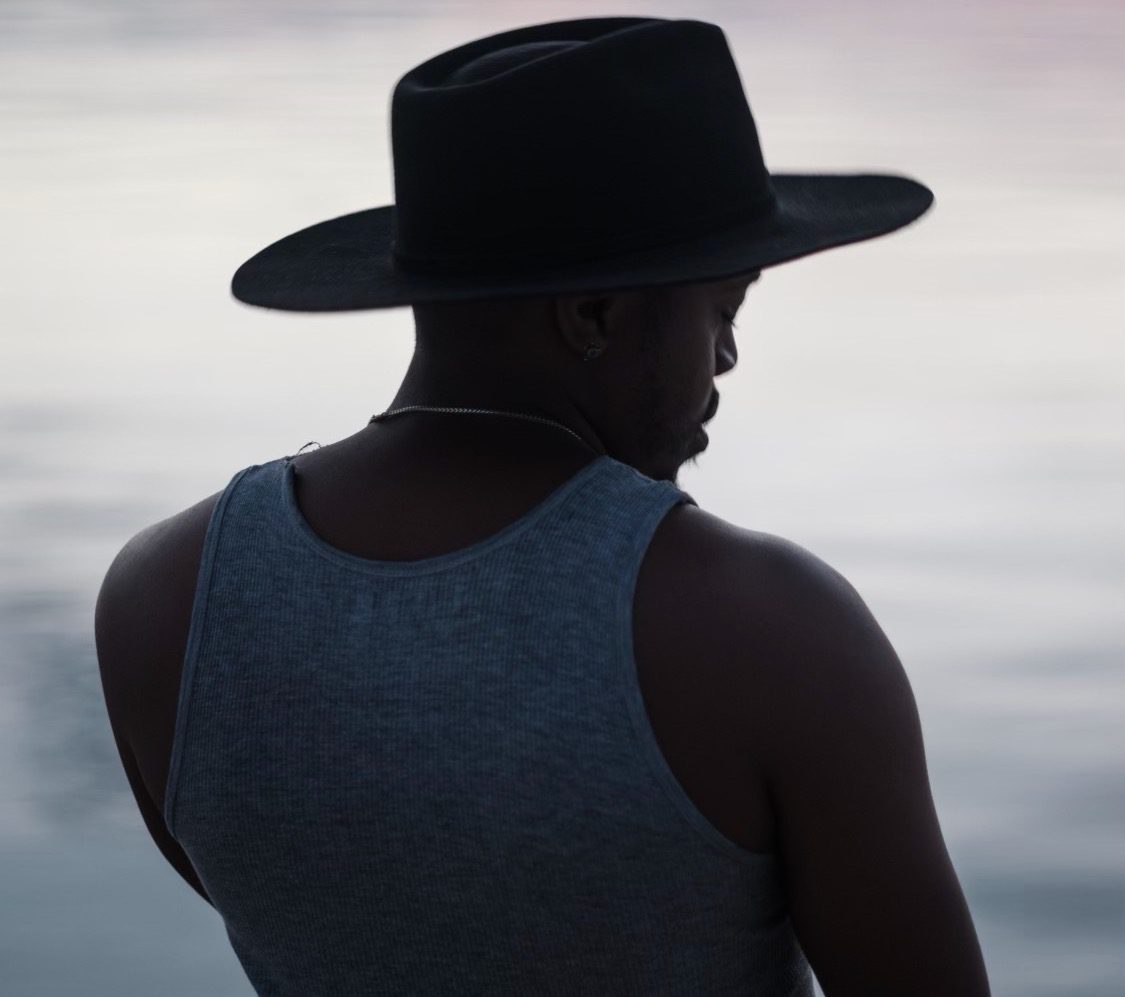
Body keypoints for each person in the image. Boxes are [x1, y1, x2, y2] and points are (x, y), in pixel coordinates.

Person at [94, 16, 991, 996]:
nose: (729, 357)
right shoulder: (770, 630)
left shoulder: (167, 595)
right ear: (594, 315)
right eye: (722, 310)